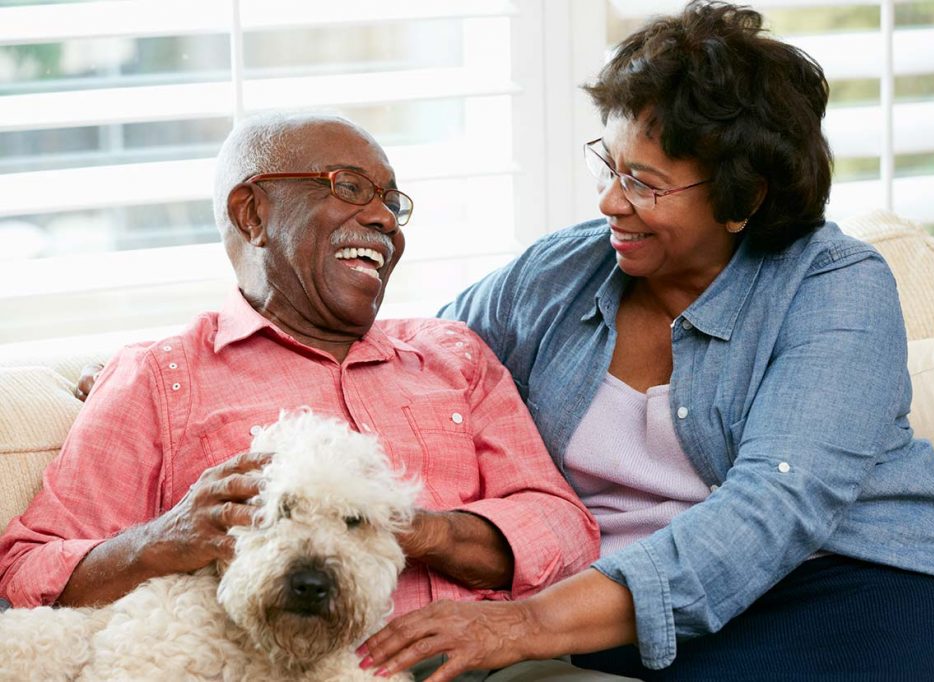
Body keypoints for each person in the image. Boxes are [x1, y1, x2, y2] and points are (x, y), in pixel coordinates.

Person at [358, 2, 934, 680]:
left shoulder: (834, 285)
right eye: (608, 166)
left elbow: (775, 508)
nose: (610, 203)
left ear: (745, 198)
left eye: (644, 183)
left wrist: (528, 623)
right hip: (632, 618)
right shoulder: (558, 274)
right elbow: (414, 376)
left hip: (864, 585)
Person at [0, 111, 629, 681]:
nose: (384, 218)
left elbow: (566, 527)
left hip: (487, 663)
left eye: (391, 202)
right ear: (253, 214)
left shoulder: (451, 354)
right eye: (350, 187)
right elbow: (28, 570)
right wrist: (163, 537)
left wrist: (412, 527)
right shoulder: (159, 376)